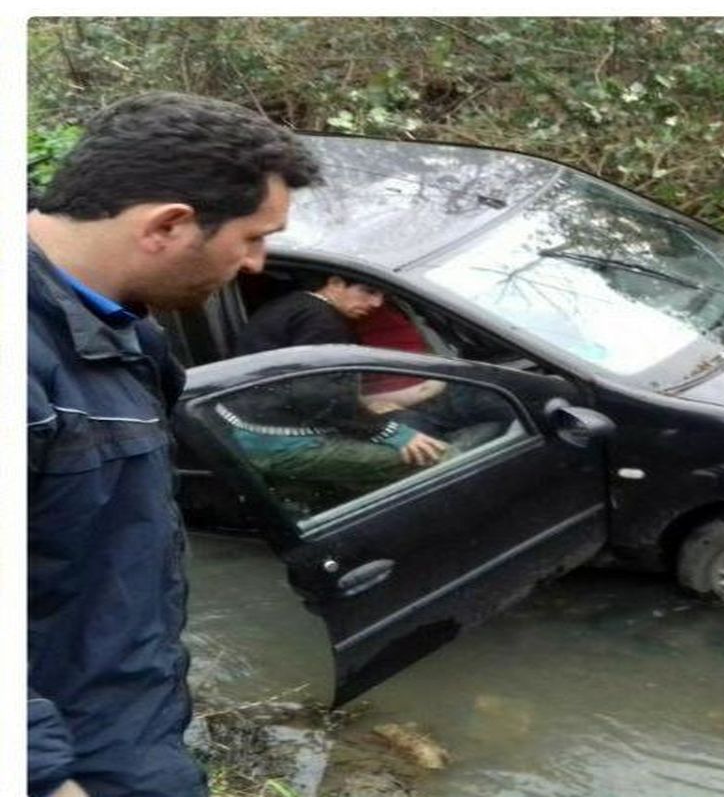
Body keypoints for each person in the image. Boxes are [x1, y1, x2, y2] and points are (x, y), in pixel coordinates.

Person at [27, 92, 320, 797]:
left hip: (125, 720)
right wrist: (43, 778)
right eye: (253, 237)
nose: (258, 264)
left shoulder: (124, 329)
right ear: (168, 224)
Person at [228, 274, 448, 478]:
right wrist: (393, 433)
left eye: (382, 296)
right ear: (335, 284)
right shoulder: (324, 322)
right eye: (368, 291)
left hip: (248, 432)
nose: (377, 304)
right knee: (440, 458)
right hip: (286, 444)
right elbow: (319, 395)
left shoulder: (292, 306)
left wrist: (361, 408)